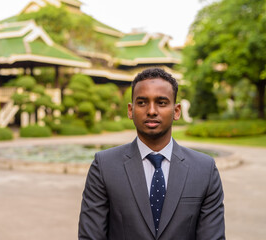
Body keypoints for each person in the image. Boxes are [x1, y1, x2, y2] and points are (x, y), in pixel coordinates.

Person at [78, 68, 225, 240]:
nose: (152, 111)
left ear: (176, 111)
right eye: (142, 103)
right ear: (130, 110)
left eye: (161, 102)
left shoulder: (204, 169)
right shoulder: (104, 166)